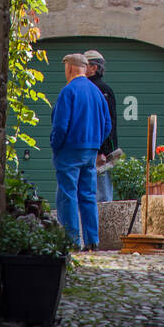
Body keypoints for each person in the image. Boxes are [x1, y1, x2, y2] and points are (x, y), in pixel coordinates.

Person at [50, 52, 111, 251]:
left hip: (69, 150)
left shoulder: (68, 91)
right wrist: (95, 142)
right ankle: (92, 240)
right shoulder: (96, 92)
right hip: (90, 151)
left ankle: (72, 240)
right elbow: (107, 124)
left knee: (67, 194)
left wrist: (55, 145)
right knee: (87, 194)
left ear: (69, 68)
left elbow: (60, 126)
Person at [84, 49, 119, 204]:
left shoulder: (103, 90)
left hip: (100, 153)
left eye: (86, 65)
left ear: (94, 68)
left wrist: (103, 151)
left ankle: (104, 227)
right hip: (90, 149)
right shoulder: (85, 87)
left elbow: (108, 123)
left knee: (102, 194)